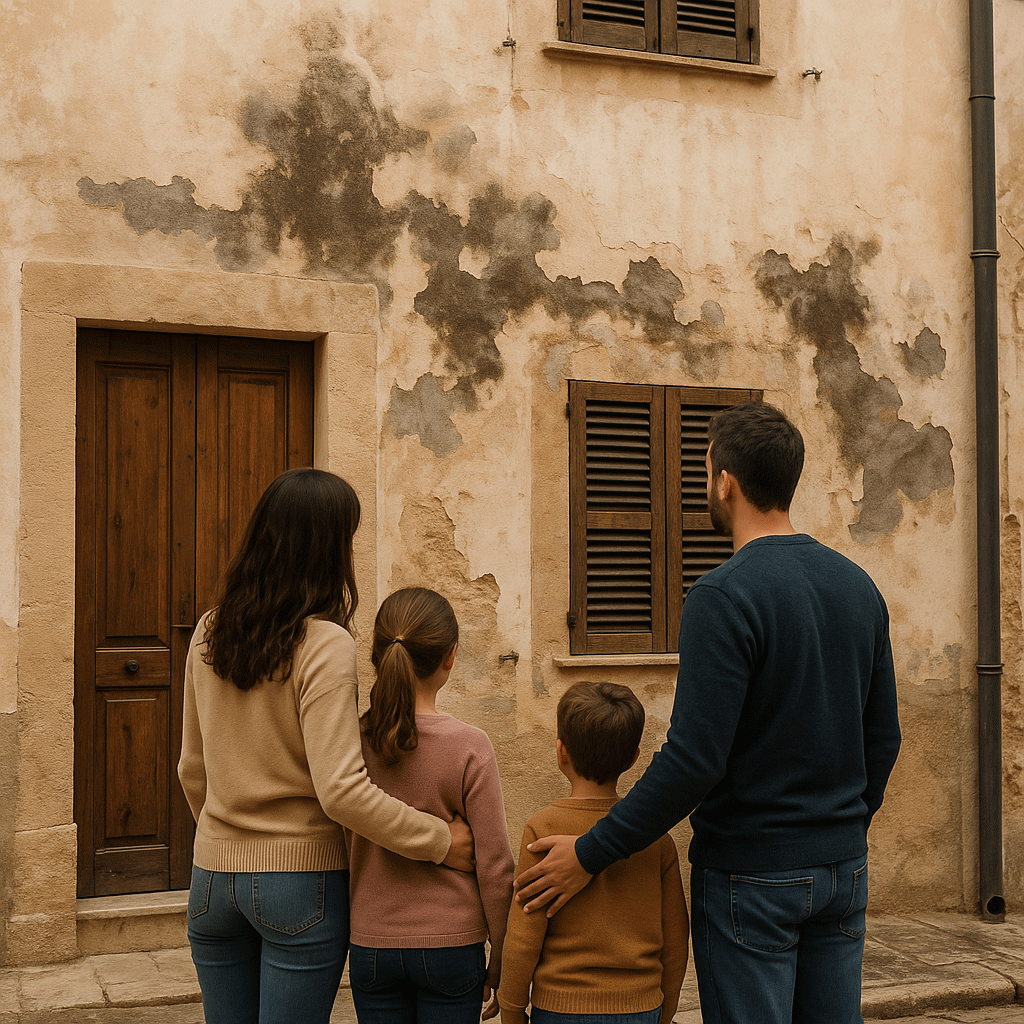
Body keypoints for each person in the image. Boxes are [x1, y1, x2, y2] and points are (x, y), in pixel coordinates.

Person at [514, 402, 902, 1024]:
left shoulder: (722, 595)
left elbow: (694, 761)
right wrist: (838, 829)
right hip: (843, 871)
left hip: (753, 878)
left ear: (725, 481)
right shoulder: (858, 587)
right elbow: (883, 738)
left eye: (704, 471)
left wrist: (590, 853)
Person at [177, 469, 474, 1024]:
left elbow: (191, 769)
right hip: (298, 882)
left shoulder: (208, 631)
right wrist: (440, 841)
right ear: (329, 547)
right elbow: (340, 791)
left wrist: (223, 842)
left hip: (210, 882)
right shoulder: (325, 644)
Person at [345, 587, 515, 1024]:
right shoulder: (471, 747)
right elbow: (495, 865)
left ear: (377, 656)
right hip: (452, 947)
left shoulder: (349, 744)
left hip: (372, 944)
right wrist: (503, 951)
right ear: (450, 657)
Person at [498, 681, 688, 1024]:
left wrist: (511, 1008)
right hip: (641, 1007)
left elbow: (523, 937)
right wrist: (667, 1006)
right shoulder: (655, 839)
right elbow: (676, 936)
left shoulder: (542, 830)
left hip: (560, 1008)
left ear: (561, 752)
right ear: (633, 758)